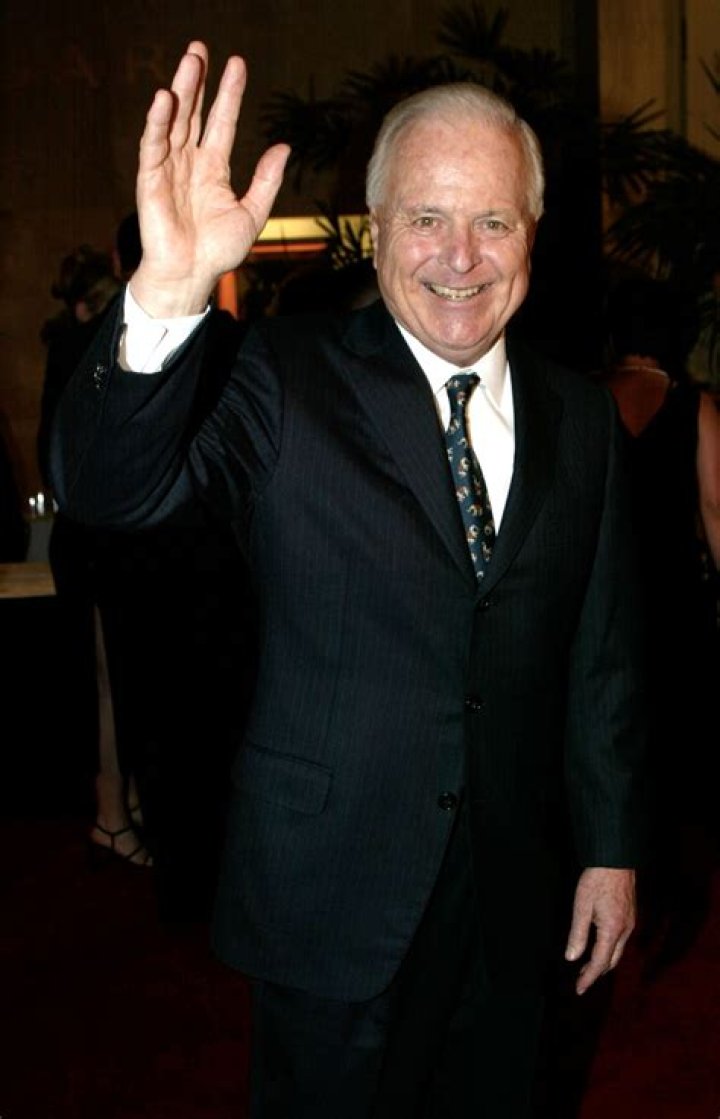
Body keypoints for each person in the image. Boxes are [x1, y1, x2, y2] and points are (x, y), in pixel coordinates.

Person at [49, 43, 646, 1118]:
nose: (460, 256)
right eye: (426, 218)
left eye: (493, 221)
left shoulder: (584, 418)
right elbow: (106, 492)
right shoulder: (280, 376)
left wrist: (609, 851)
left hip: (518, 901)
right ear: (375, 229)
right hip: (334, 892)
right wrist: (170, 293)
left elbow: (601, 660)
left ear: (532, 232)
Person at [597, 275, 720, 978]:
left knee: (616, 753)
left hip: (602, 612)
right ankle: (674, 898)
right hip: (676, 608)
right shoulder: (693, 406)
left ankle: (620, 885)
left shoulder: (582, 399)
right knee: (679, 755)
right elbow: (716, 508)